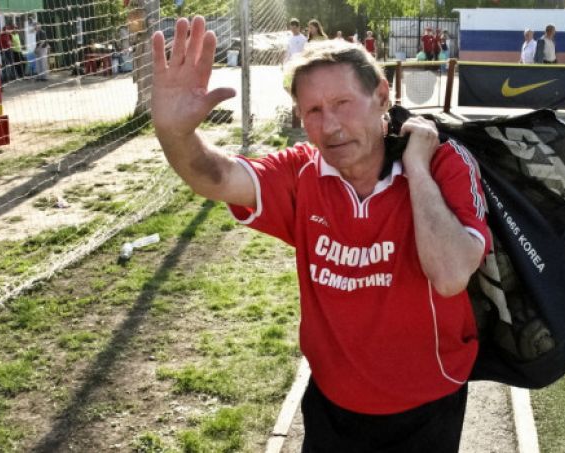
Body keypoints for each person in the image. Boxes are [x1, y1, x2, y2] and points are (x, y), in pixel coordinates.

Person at [151, 17, 490, 452]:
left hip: (426, 404)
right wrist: (176, 134)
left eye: (342, 103)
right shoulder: (302, 172)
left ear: (381, 96)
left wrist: (417, 170)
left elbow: (450, 275)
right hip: (332, 402)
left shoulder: (444, 161)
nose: (329, 126)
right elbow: (215, 176)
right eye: (313, 111)